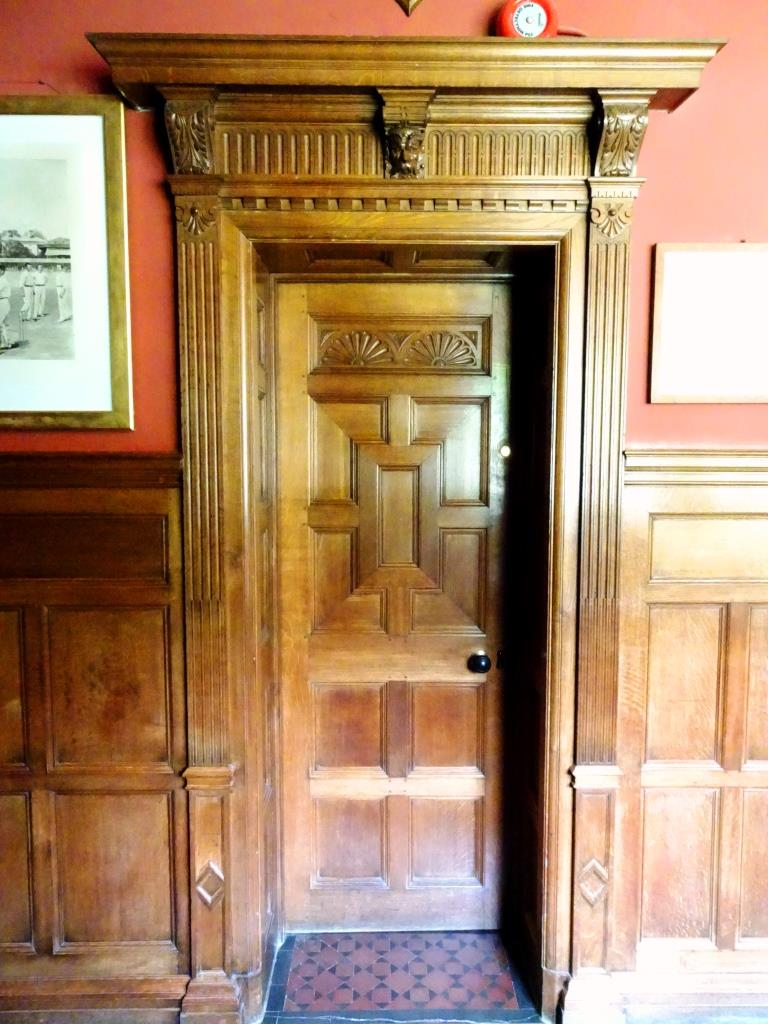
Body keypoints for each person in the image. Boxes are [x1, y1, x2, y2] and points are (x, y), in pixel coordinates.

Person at [0, 267, 11, 350]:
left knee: (1, 323)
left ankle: (5, 342)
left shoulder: (2, 280)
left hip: (3, 302)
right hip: (3, 301)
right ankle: (5, 342)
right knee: (2, 324)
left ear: (2, 271)